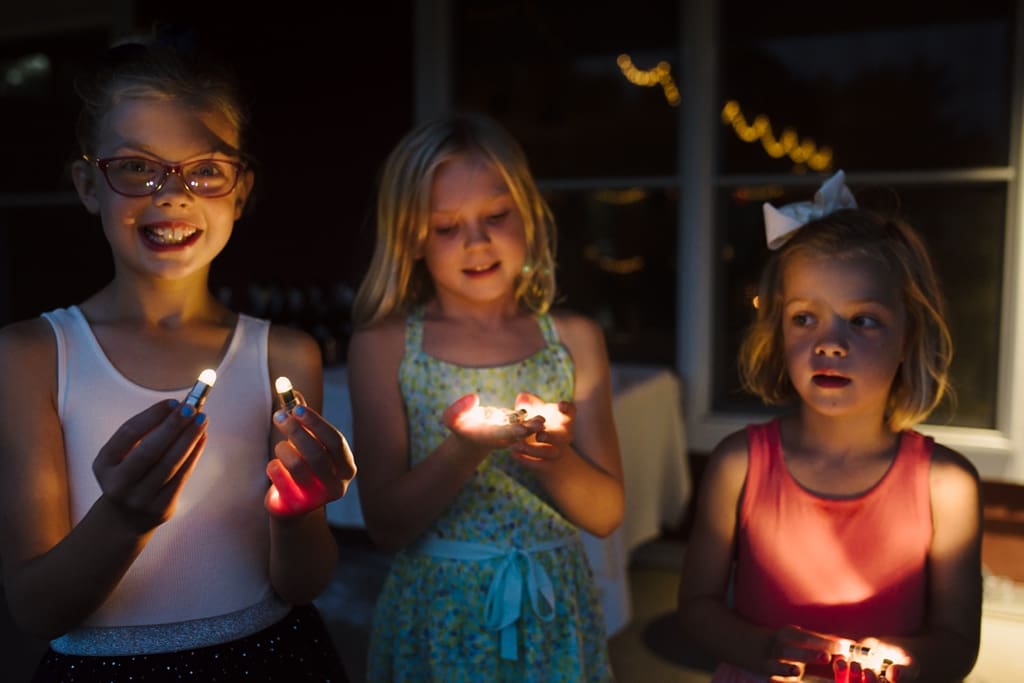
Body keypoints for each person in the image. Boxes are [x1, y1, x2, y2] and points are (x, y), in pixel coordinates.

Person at [0, 31, 357, 682]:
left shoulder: (284, 354)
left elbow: (302, 583)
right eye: (136, 166)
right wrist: (125, 517)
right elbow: (35, 607)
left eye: (205, 168)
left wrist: (300, 509)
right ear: (87, 184)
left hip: (272, 659)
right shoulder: (32, 356)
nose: (172, 193)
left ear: (240, 188)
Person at [347, 112, 624, 682]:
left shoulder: (572, 341)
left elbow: (606, 513)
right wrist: (463, 450)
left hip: (551, 611)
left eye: (496, 216)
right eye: (446, 226)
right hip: (440, 614)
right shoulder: (386, 346)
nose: (476, 242)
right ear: (411, 238)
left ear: (529, 214)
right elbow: (386, 525)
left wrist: (556, 457)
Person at [677, 171, 983, 683]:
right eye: (805, 318)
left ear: (908, 334)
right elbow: (697, 608)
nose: (830, 343)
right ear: (777, 329)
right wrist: (761, 648)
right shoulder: (739, 464)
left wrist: (897, 664)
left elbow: (957, 644)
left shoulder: (947, 486)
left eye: (861, 319)